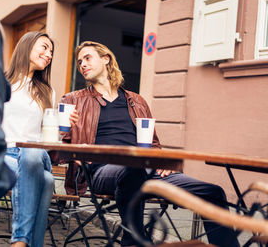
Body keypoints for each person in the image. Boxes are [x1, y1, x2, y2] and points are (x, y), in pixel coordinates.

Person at [60, 41, 240, 247]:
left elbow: (154, 144)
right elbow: (56, 150)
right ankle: (134, 239)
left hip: (146, 170)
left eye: (87, 58)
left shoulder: (137, 101)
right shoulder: (74, 100)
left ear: (106, 59)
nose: (82, 64)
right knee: (133, 169)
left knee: (213, 192)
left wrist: (161, 160)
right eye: (79, 61)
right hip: (101, 171)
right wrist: (69, 137)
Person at [2, 31, 55, 247]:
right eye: (44, 47)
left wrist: (60, 123)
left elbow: (48, 137)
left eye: (51, 51)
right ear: (27, 46)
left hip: (36, 153)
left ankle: (19, 241)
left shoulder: (45, 91)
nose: (49, 54)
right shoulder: (2, 83)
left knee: (31, 152)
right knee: (48, 180)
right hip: (4, 154)